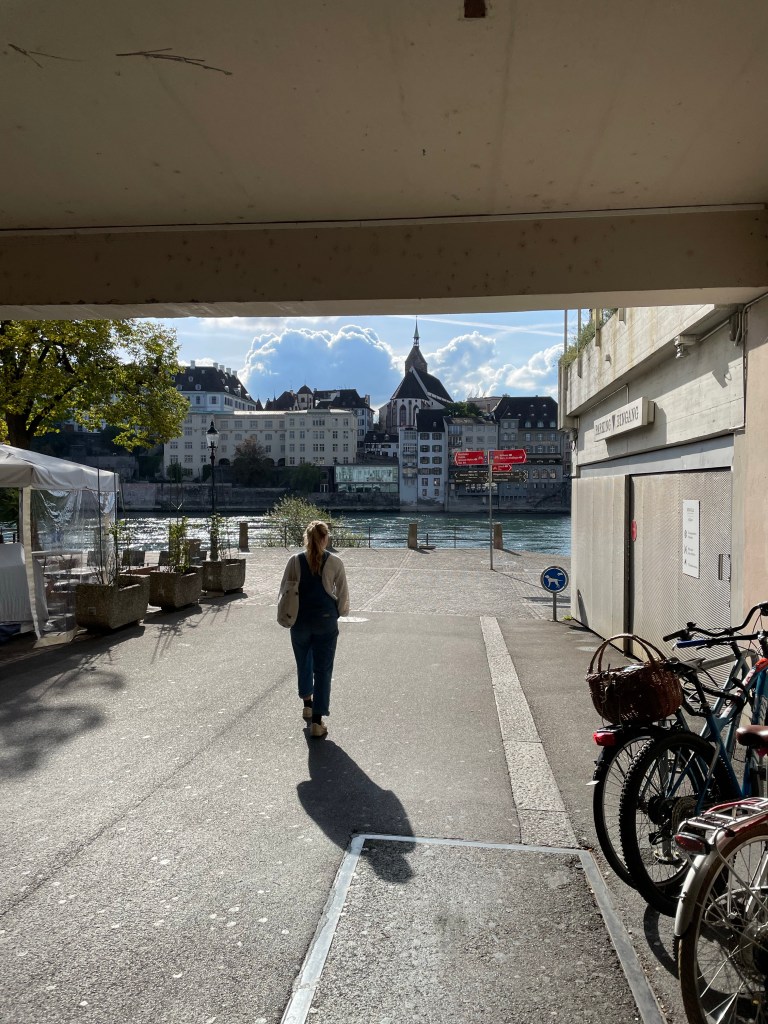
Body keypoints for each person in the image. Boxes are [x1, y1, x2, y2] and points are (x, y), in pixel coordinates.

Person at [279, 520, 349, 738]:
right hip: (325, 620)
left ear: (306, 538)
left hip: (300, 620)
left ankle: (307, 705)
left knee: (304, 662)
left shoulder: (295, 561)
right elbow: (343, 594)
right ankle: (317, 722)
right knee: (323, 669)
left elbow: (284, 591)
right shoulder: (335, 562)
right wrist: (341, 612)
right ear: (325, 538)